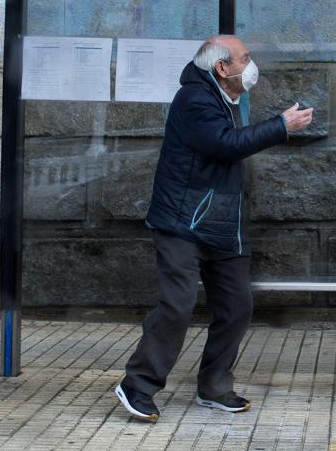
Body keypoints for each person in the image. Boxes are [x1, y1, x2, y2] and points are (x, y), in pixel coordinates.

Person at [115, 35, 314, 422]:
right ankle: (137, 385)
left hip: (222, 226)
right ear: (222, 68)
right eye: (245, 58)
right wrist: (281, 126)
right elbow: (226, 144)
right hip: (182, 223)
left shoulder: (225, 97)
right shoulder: (195, 100)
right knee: (178, 304)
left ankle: (214, 386)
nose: (251, 65)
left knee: (237, 306)